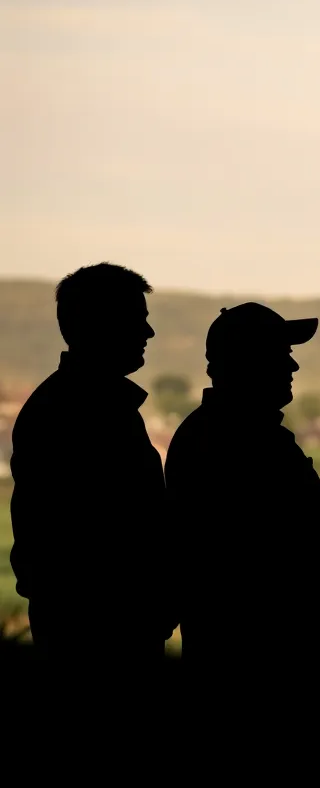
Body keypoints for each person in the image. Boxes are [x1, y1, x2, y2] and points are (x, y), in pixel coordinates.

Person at [165, 303, 320, 671]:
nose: (293, 366)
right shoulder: (242, 439)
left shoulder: (227, 432)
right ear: (247, 361)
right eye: (281, 353)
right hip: (265, 653)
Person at [8, 263, 176, 672]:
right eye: (138, 320)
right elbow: (101, 534)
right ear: (101, 324)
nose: (148, 333)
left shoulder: (83, 405)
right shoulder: (80, 412)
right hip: (103, 636)